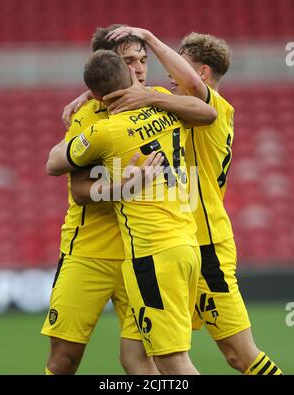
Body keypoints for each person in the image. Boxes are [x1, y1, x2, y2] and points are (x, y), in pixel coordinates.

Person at [101, 26, 283, 375]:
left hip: (207, 244)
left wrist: (151, 39)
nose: (168, 72)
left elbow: (188, 98)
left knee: (240, 355)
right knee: (138, 358)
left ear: (201, 73)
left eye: (178, 63)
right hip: (175, 243)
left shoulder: (213, 108)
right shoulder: (177, 111)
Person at [43, 25, 216, 375]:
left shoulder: (163, 101)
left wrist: (153, 97)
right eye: (128, 61)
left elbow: (206, 108)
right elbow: (77, 188)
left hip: (142, 252)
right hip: (89, 251)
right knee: (64, 359)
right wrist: (121, 186)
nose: (138, 69)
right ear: (111, 66)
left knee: (141, 361)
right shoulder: (89, 116)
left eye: (142, 60)